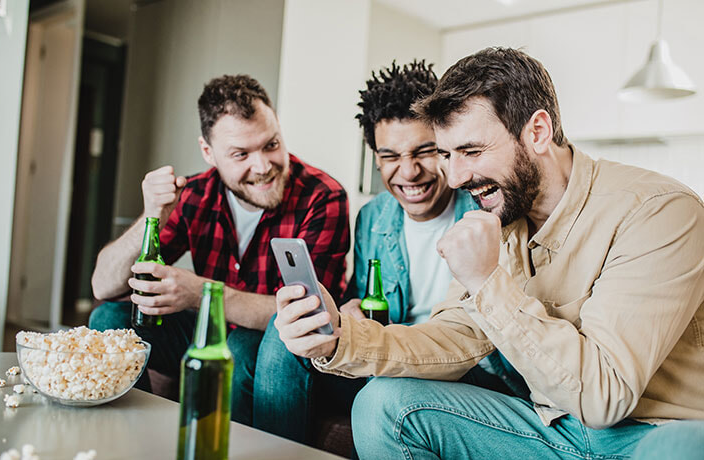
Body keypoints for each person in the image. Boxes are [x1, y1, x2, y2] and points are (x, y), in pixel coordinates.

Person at [275, 47, 704, 459]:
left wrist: (486, 281)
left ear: (537, 131)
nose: (457, 176)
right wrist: (336, 338)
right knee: (384, 404)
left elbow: (604, 397)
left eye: (472, 152)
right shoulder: (500, 216)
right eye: (446, 154)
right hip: (550, 427)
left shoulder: (658, 211)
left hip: (648, 437)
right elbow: (455, 336)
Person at [89, 74, 350, 428]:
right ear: (208, 152)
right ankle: (138, 439)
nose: (263, 166)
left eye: (271, 144)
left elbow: (312, 316)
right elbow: (103, 286)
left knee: (241, 346)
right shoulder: (195, 194)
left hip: (278, 348)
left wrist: (200, 293)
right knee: (108, 320)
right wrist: (152, 214)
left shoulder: (323, 197)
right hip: (205, 332)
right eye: (241, 154)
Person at [248, 61, 478, 444]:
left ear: (446, 146)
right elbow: (361, 297)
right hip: (382, 360)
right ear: (375, 157)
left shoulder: (483, 211)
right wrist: (348, 311)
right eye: (390, 156)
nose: (408, 172)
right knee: (283, 334)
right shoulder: (373, 217)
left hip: (455, 369)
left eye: (424, 151)